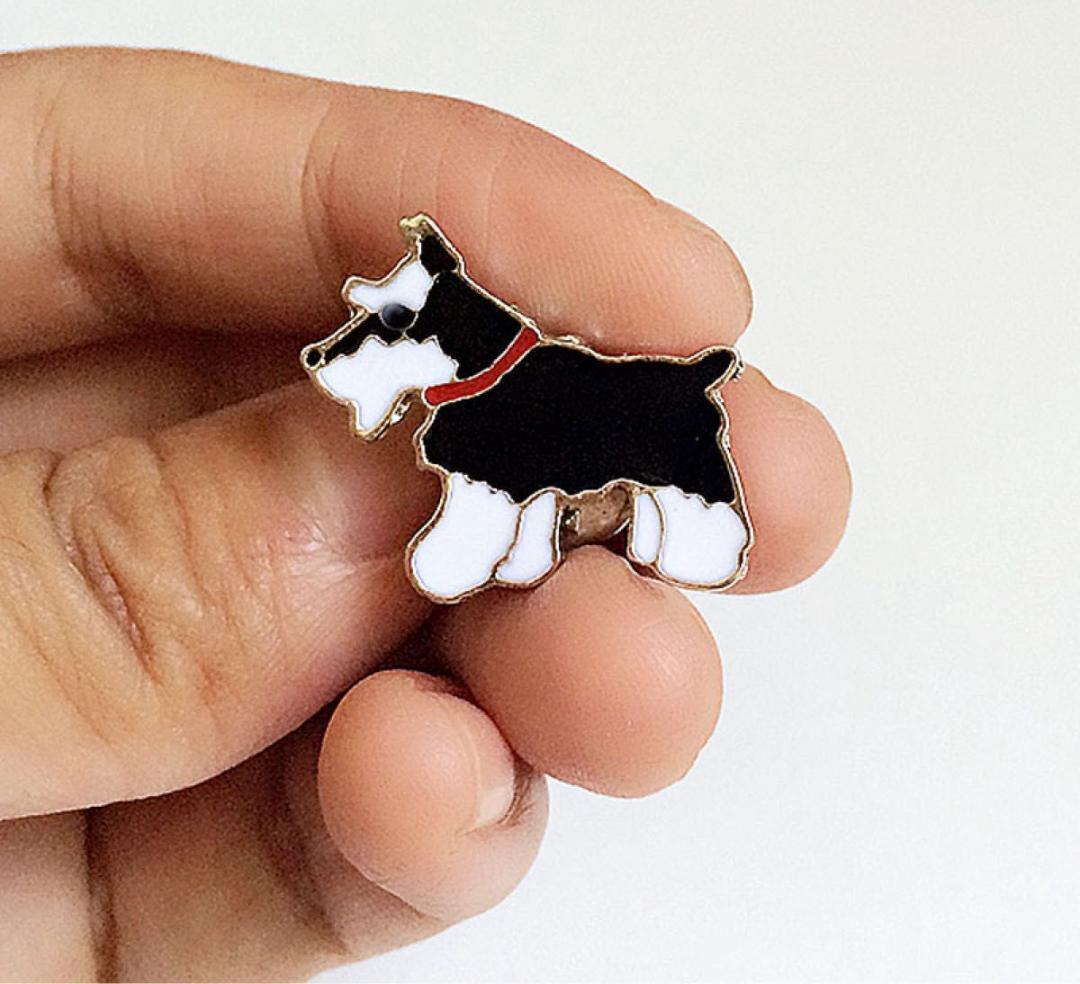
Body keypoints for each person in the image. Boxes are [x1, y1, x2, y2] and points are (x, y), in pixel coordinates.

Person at [0, 47, 850, 981]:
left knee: (682, 485)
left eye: (389, 330)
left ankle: (693, 519)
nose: (353, 347)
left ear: (443, 326)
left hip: (664, 410)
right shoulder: (462, 397)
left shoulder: (501, 392)